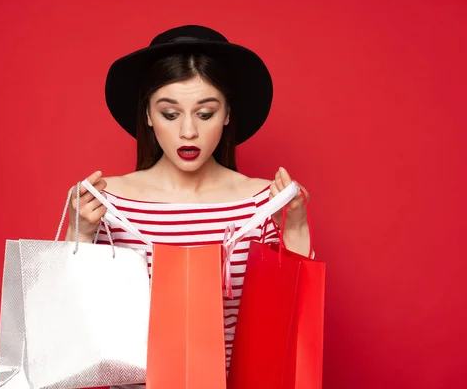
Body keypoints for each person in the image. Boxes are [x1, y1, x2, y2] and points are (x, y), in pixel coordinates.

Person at [65, 25, 313, 387]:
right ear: (148, 116)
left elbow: (294, 320)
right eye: (169, 114)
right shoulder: (106, 202)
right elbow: (71, 321)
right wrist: (79, 233)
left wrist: (295, 229)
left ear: (227, 114)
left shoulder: (265, 201)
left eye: (205, 113)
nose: (188, 132)